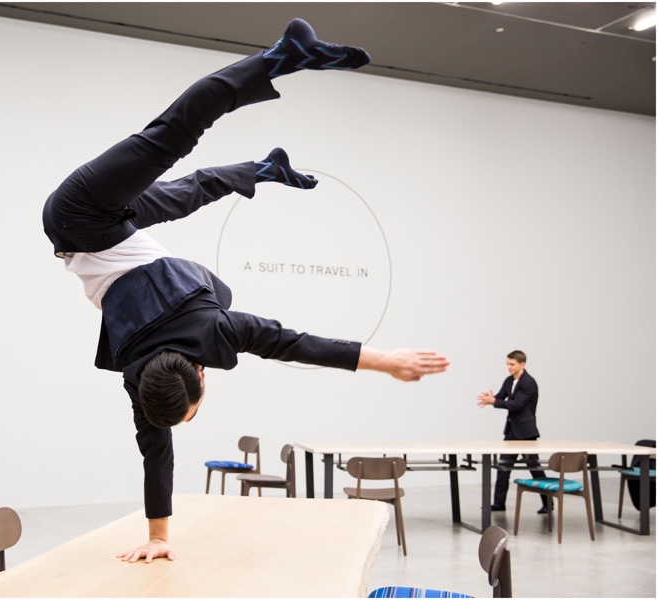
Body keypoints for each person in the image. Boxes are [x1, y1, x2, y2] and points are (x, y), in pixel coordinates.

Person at [43, 18, 451, 563]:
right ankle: (262, 168)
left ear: (201, 374)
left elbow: (296, 343)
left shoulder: (217, 331)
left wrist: (387, 362)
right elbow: (156, 453)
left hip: (78, 213)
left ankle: (282, 56)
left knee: (171, 135)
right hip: (108, 232)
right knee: (187, 193)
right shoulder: (145, 382)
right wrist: (159, 539)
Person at [477, 350, 548, 513]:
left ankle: (548, 504)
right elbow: (501, 397)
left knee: (535, 469)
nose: (509, 367)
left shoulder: (529, 382)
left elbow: (517, 405)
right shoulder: (509, 381)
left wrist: (495, 402)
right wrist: (491, 400)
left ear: (522, 364)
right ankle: (498, 503)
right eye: (507, 364)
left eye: (512, 364)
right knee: (503, 468)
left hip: (526, 433)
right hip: (511, 432)